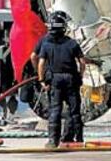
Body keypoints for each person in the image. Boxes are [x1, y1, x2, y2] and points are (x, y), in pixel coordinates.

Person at [38, 11, 85, 149]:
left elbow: (41, 63)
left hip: (55, 80)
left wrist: (41, 80)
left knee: (55, 110)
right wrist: (80, 76)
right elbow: (82, 63)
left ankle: (53, 141)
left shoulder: (46, 45)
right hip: (71, 78)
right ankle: (78, 139)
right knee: (74, 110)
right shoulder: (72, 44)